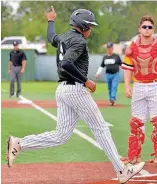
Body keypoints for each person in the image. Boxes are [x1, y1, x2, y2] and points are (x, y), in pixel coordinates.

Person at [6, 6, 145, 183]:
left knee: (61, 136)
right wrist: (86, 81)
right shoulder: (79, 41)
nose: (91, 29)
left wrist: (51, 20)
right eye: (90, 26)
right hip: (75, 89)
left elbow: (51, 38)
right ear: (83, 26)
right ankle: (121, 170)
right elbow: (66, 63)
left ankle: (20, 143)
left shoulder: (64, 37)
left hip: (62, 90)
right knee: (100, 128)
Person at [121, 15, 157, 167]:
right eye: (144, 27)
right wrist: (127, 85)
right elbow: (128, 68)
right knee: (136, 123)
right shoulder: (132, 47)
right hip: (139, 86)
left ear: (153, 30)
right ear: (139, 29)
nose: (147, 29)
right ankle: (134, 156)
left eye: (150, 27)